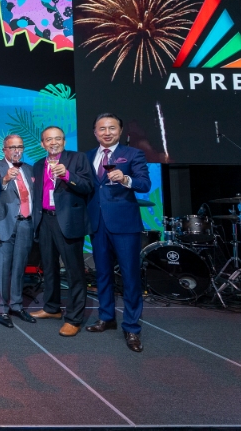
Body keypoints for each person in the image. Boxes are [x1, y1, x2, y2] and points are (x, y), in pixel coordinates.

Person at [85, 113, 151, 352]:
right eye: (102, 128)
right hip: (97, 223)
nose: (107, 132)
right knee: (102, 273)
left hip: (124, 224)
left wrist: (125, 179)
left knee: (130, 276)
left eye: (112, 128)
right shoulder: (88, 156)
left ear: (120, 131)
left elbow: (144, 184)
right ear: (95, 132)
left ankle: (132, 327)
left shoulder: (133, 154)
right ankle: (106, 317)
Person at [30, 126, 93, 337]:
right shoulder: (38, 165)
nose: (53, 142)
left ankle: (74, 318)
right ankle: (51, 307)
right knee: (49, 267)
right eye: (49, 139)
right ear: (43, 144)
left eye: (58, 139)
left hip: (67, 221)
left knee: (74, 271)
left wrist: (66, 175)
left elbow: (87, 186)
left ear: (64, 142)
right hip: (45, 220)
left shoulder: (77, 158)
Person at [0, 134, 38, 328]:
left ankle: (16, 305)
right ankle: (1, 308)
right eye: (12, 147)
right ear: (4, 150)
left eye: (20, 147)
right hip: (3, 223)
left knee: (20, 267)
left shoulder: (29, 169)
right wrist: (4, 180)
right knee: (2, 268)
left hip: (26, 223)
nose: (16, 151)